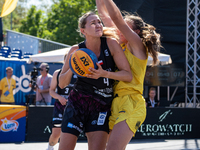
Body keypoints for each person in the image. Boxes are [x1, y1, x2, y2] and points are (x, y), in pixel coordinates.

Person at [58, 11, 132, 150]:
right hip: (77, 104)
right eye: (93, 23)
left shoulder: (110, 44)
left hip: (101, 105)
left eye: (99, 22)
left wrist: (104, 74)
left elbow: (128, 75)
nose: (98, 25)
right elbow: (62, 84)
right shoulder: (76, 50)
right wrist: (73, 67)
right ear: (83, 30)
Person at [96, 0, 162, 149]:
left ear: (135, 32)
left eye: (124, 27)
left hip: (132, 102)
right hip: (116, 102)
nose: (118, 29)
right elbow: (105, 16)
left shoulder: (137, 45)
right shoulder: (121, 46)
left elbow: (116, 18)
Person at [46, 54, 77, 150]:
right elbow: (51, 90)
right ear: (64, 61)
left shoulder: (79, 72)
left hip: (74, 106)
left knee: (70, 133)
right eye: (67, 60)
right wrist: (59, 98)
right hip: (60, 105)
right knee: (56, 134)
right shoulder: (58, 73)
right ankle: (50, 147)